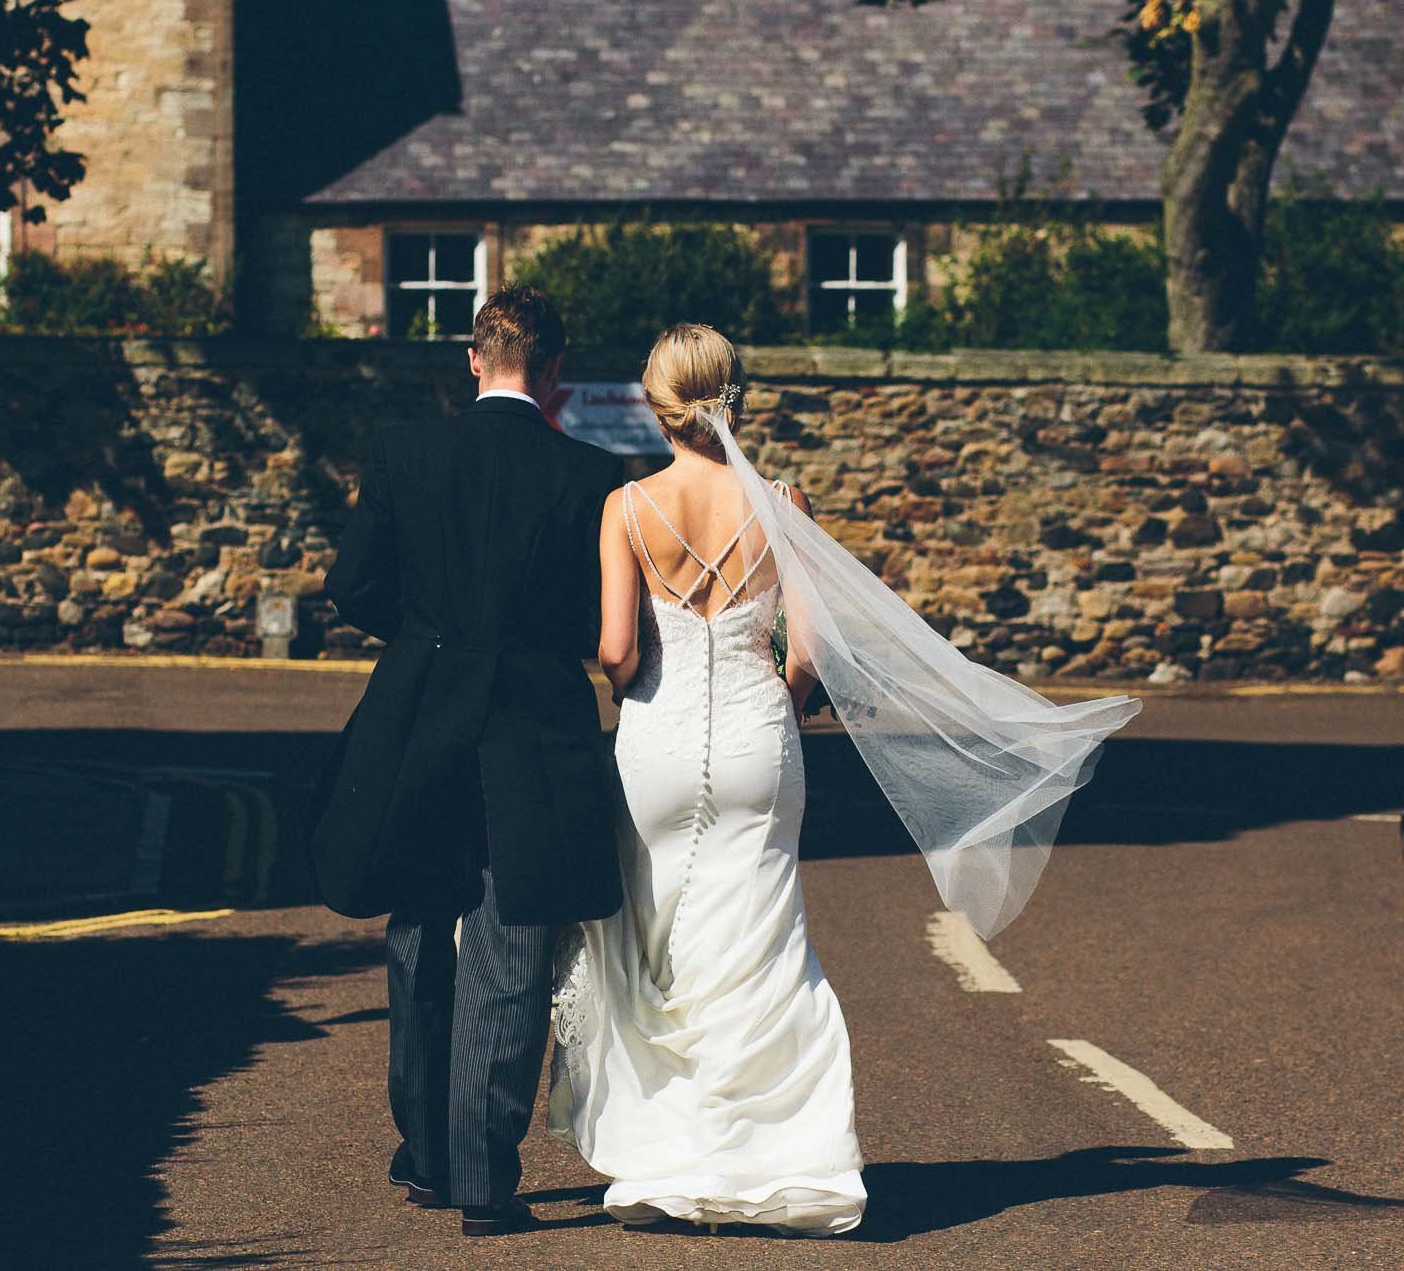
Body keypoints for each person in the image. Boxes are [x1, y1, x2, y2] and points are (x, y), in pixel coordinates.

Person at [546, 324, 1141, 1234]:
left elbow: (619, 653)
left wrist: (641, 688)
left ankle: (663, 1163)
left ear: (657, 406)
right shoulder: (782, 502)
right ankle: (780, 1163)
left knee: (658, 945)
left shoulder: (626, 507)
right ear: (734, 396)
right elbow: (813, 651)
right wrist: (769, 695)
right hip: (757, 741)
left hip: (657, 748)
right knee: (759, 946)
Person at [311, 286, 625, 1237]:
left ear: (473, 358)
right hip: (532, 723)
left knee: (419, 920)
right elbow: (592, 619)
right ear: (556, 372)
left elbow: (352, 584)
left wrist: (421, 637)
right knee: (513, 937)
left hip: (420, 710)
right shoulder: (590, 472)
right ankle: (484, 1178)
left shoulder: (407, 453)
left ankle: (425, 1145)